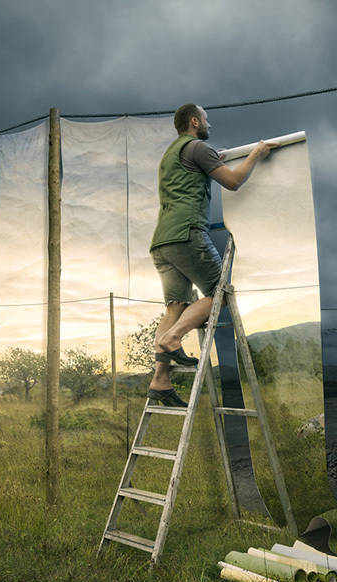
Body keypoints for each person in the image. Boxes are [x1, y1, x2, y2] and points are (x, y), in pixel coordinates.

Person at [147, 103, 276, 406]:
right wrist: (256, 154)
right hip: (187, 234)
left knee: (175, 306)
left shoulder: (171, 154)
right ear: (195, 121)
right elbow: (232, 182)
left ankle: (160, 380)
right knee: (221, 294)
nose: (209, 124)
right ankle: (172, 338)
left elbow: (190, 176)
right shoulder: (197, 147)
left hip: (162, 241)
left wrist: (210, 161)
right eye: (206, 120)